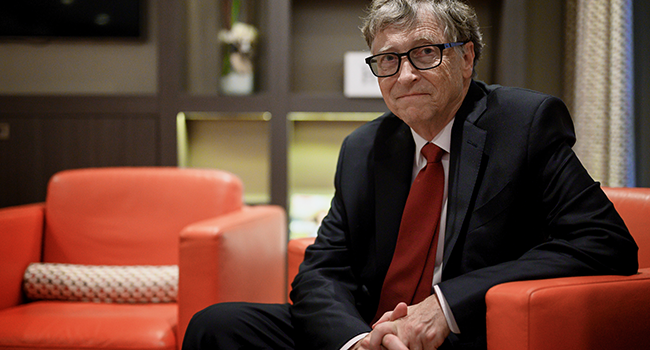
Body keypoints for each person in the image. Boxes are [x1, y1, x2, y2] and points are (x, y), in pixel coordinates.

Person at [181, 0, 639, 349]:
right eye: (387, 60)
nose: (404, 76)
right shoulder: (363, 149)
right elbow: (321, 272)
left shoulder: (524, 123)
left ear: (466, 58)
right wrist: (359, 341)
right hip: (372, 329)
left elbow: (604, 242)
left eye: (424, 53)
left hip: (466, 331)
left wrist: (446, 307)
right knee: (218, 326)